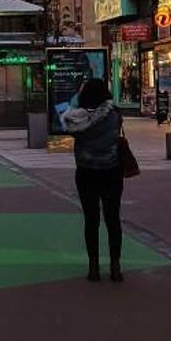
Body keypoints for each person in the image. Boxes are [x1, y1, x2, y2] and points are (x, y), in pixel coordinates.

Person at [62, 79, 124, 282]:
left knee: (91, 220)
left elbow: (68, 129)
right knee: (113, 218)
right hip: (111, 170)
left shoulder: (76, 120)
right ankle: (115, 267)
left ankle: (94, 267)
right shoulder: (114, 115)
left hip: (86, 172)